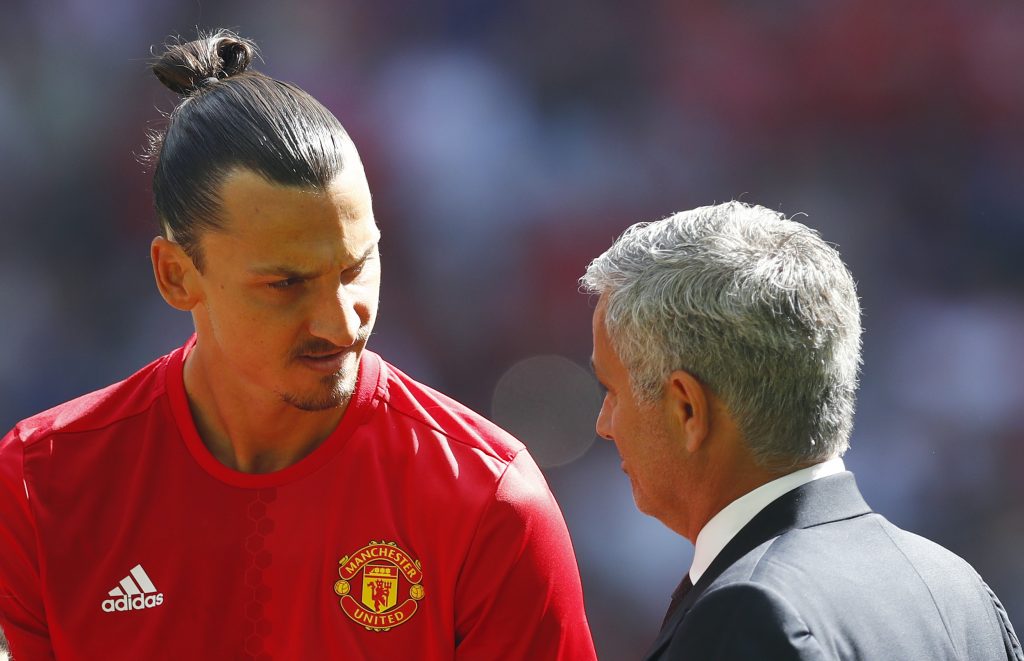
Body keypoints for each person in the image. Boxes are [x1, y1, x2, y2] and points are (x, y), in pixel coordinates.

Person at [0, 30, 596, 660]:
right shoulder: (40, 488)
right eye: (286, 284)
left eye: (356, 268)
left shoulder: (488, 501)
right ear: (175, 275)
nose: (341, 324)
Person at [581, 201, 1022, 660]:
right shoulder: (959, 589)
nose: (604, 424)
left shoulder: (746, 616)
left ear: (687, 408)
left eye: (611, 390)